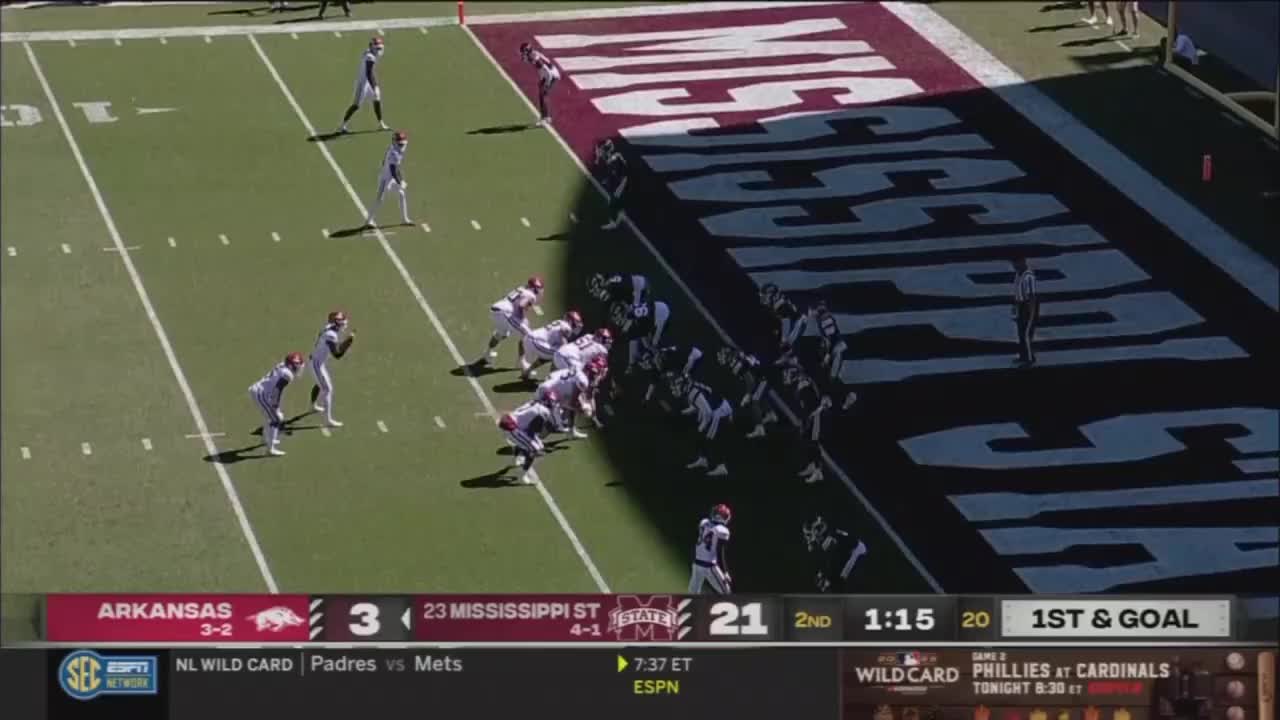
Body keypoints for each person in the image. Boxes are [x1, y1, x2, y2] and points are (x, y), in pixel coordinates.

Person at [1012, 257, 1038, 366]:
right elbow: (1017, 292)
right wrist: (1016, 306)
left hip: (1028, 305)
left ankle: (1030, 358)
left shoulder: (1029, 276)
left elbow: (1032, 295)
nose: (1014, 267)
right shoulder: (1018, 275)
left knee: (1026, 333)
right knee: (1020, 333)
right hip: (1021, 305)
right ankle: (1023, 356)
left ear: (1022, 262)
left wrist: (1032, 312)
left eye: (1016, 263)